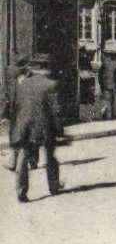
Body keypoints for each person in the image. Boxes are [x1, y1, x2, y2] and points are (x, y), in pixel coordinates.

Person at [10, 55, 64, 201]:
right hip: (45, 127)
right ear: (46, 68)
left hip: (25, 126)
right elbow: (56, 110)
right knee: (50, 157)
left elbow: (17, 106)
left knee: (23, 155)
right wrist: (60, 130)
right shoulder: (51, 84)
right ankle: (53, 187)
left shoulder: (24, 84)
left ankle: (20, 191)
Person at [97, 50, 116, 120]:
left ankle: (104, 114)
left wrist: (101, 84)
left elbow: (100, 75)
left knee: (106, 101)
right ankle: (114, 115)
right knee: (115, 101)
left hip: (105, 85)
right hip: (114, 85)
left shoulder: (104, 64)